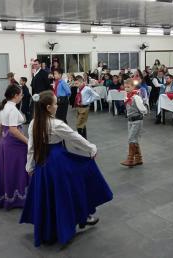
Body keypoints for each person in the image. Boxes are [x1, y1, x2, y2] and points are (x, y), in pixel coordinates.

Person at [19, 91, 113, 247]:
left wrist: (29, 166)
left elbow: (31, 148)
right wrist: (91, 148)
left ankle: (54, 227)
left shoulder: (33, 123)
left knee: (50, 195)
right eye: (55, 103)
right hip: (58, 162)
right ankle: (82, 215)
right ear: (49, 107)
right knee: (72, 188)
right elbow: (74, 137)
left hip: (42, 164)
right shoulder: (56, 124)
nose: (57, 106)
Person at [0, 85, 30, 209]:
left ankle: (8, 195)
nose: (22, 96)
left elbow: (0, 127)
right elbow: (13, 130)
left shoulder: (4, 107)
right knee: (17, 169)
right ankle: (16, 198)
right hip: (14, 143)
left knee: (9, 169)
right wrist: (28, 141)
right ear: (15, 96)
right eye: (21, 94)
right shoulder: (12, 109)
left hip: (6, 142)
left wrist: (1, 141)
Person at [120, 79, 147, 167]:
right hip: (130, 120)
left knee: (131, 139)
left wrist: (140, 112)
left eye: (129, 87)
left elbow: (144, 109)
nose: (126, 89)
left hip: (137, 120)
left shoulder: (136, 97)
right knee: (133, 139)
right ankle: (139, 158)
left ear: (133, 87)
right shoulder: (127, 96)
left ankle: (130, 159)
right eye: (125, 87)